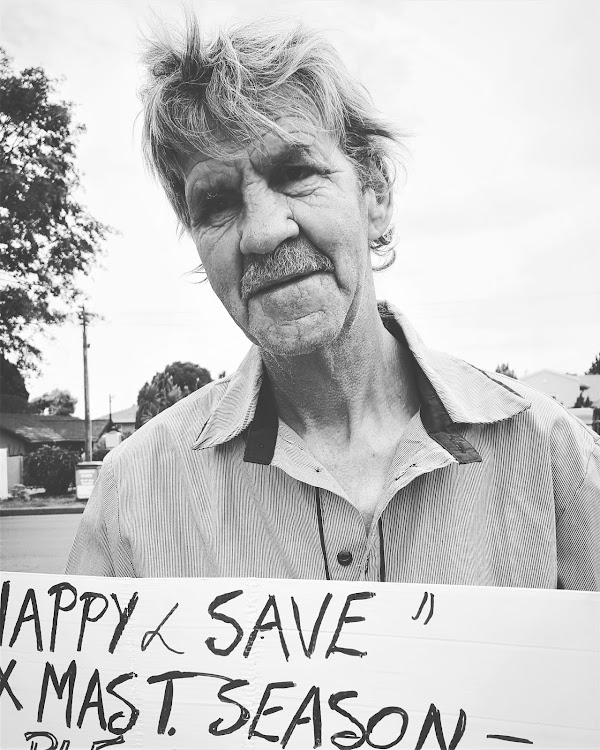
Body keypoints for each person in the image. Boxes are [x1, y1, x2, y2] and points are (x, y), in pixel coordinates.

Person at [67, 17, 600, 588]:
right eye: (216, 201)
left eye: (296, 172)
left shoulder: (551, 456)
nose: (263, 232)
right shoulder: (135, 491)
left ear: (375, 195)